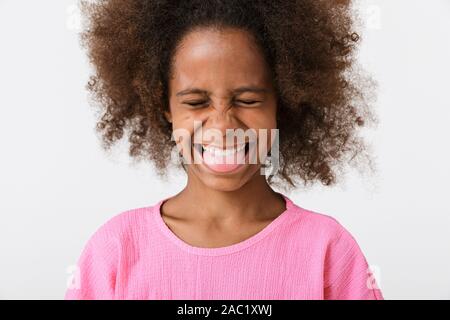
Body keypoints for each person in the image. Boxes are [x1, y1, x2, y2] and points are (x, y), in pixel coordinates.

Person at [65, 0, 383, 300]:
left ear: (281, 105)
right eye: (196, 102)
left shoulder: (327, 250)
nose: (222, 125)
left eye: (247, 100)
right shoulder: (117, 250)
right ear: (165, 107)